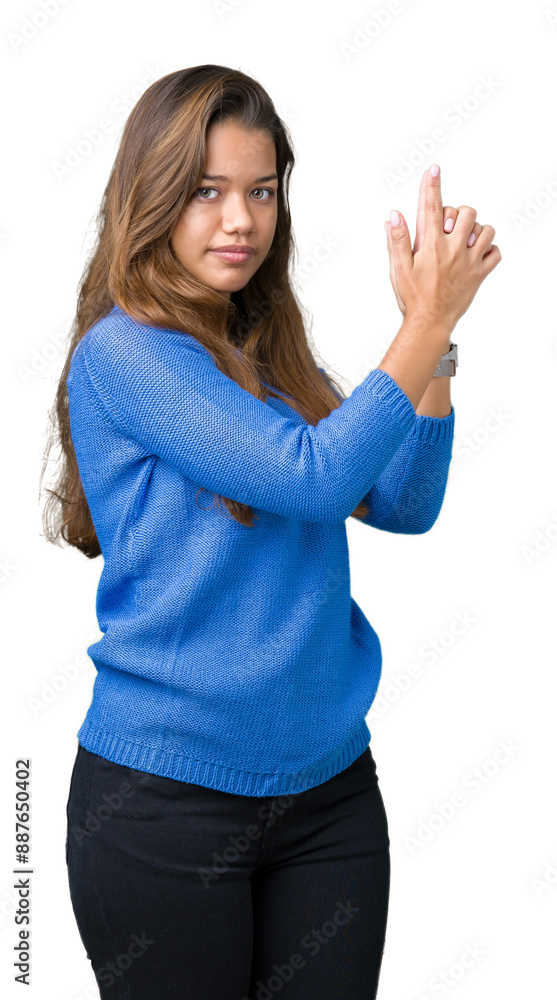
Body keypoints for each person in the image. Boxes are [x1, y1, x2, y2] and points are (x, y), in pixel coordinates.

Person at [40, 65, 501, 1000]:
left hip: (327, 797)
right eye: (205, 192)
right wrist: (422, 318)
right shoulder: (125, 354)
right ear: (152, 196)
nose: (240, 219)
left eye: (260, 190)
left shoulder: (268, 348)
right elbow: (317, 477)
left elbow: (401, 501)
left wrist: (438, 348)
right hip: (165, 806)